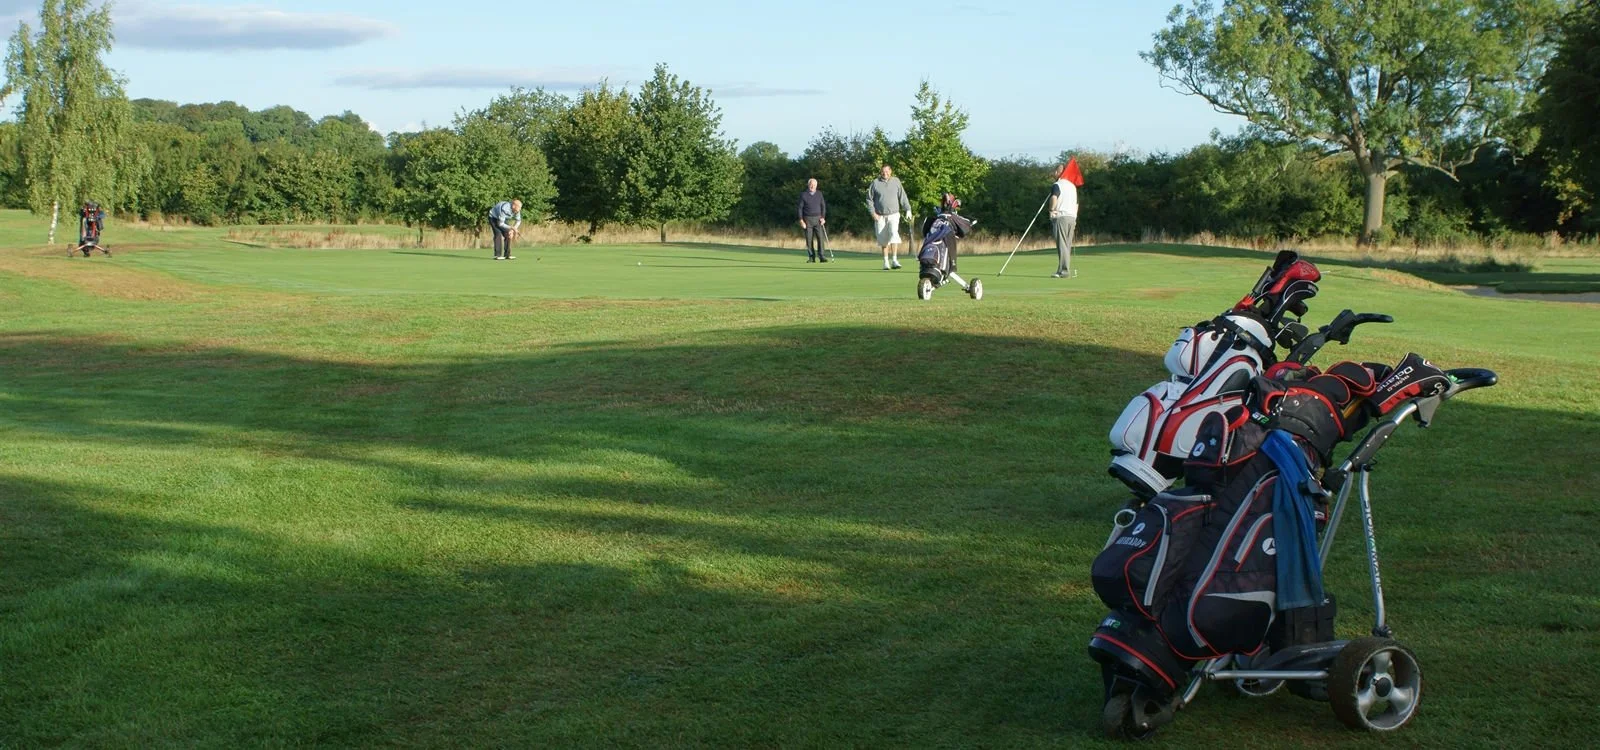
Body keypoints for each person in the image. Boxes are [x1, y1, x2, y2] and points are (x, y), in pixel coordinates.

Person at [866, 164, 911, 270]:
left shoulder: (896, 181)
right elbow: (869, 199)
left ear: (890, 171)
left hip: (894, 214)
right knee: (883, 239)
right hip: (880, 216)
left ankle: (895, 260)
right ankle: (886, 262)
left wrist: (908, 209)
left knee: (894, 234)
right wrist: (873, 213)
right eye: (883, 171)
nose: (885, 173)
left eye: (887, 171)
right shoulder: (875, 183)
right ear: (880, 172)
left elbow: (902, 196)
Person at [1047, 161, 1080, 278]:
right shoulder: (1072, 186)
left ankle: (1064, 271)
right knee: (1067, 245)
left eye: (1055, 172)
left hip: (1061, 217)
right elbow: (1076, 204)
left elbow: (1054, 198)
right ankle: (1061, 269)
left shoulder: (1057, 185)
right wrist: (1075, 217)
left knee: (1062, 245)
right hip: (1072, 217)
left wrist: (1051, 210)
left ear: (1057, 172)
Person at [797, 178, 829, 262]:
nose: (812, 186)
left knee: (820, 238)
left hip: (818, 219)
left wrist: (823, 217)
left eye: (814, 185)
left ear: (816, 186)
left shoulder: (819, 194)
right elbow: (800, 208)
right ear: (808, 185)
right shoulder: (803, 194)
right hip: (807, 219)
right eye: (811, 184)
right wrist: (801, 220)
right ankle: (811, 257)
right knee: (809, 239)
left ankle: (821, 256)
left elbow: (823, 206)